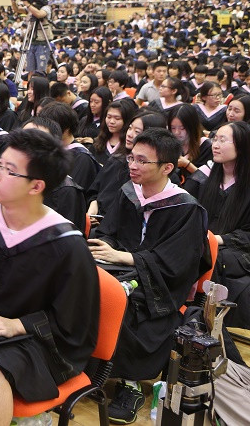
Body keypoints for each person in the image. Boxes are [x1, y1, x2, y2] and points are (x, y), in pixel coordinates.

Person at [0, 129, 99, 426]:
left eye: (9, 170)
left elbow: (74, 323)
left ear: (36, 186)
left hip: (39, 341)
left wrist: (17, 325)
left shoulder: (68, 246)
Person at [90, 128, 210, 424]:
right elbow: (108, 233)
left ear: (167, 167)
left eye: (142, 161)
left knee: (124, 303)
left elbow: (177, 265)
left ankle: (130, 384)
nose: (133, 165)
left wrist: (127, 258)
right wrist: (104, 249)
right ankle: (82, 369)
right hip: (121, 269)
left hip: (159, 287)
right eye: (131, 158)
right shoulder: (128, 192)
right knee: (81, 285)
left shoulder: (186, 208)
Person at [184, 121, 250, 328]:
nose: (215, 144)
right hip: (203, 241)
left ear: (242, 146)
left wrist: (216, 240)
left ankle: (205, 321)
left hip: (237, 250)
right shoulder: (205, 175)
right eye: (215, 139)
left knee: (215, 258)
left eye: (223, 140)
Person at [87, 111, 168, 221]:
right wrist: (93, 206)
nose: (129, 134)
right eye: (130, 128)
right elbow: (95, 191)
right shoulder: (116, 160)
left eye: (137, 131)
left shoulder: (159, 172)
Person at [40, 101, 100, 195]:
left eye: (50, 127)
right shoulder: (51, 149)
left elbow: (72, 193)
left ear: (66, 129)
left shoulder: (81, 158)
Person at [11, 0, 54, 76]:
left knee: (41, 70)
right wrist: (13, 2)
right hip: (31, 42)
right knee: (30, 69)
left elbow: (39, 14)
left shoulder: (46, 8)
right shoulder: (31, 8)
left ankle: (40, 82)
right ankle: (30, 83)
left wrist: (27, 3)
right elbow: (17, 10)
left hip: (42, 43)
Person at [169, 103, 212, 180]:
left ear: (192, 126)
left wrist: (187, 165)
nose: (177, 132)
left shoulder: (206, 146)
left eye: (182, 128)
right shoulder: (170, 143)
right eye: (173, 128)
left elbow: (207, 180)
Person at [92, 100, 135, 165]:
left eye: (117, 118)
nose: (111, 121)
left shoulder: (130, 146)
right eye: (109, 117)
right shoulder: (98, 142)